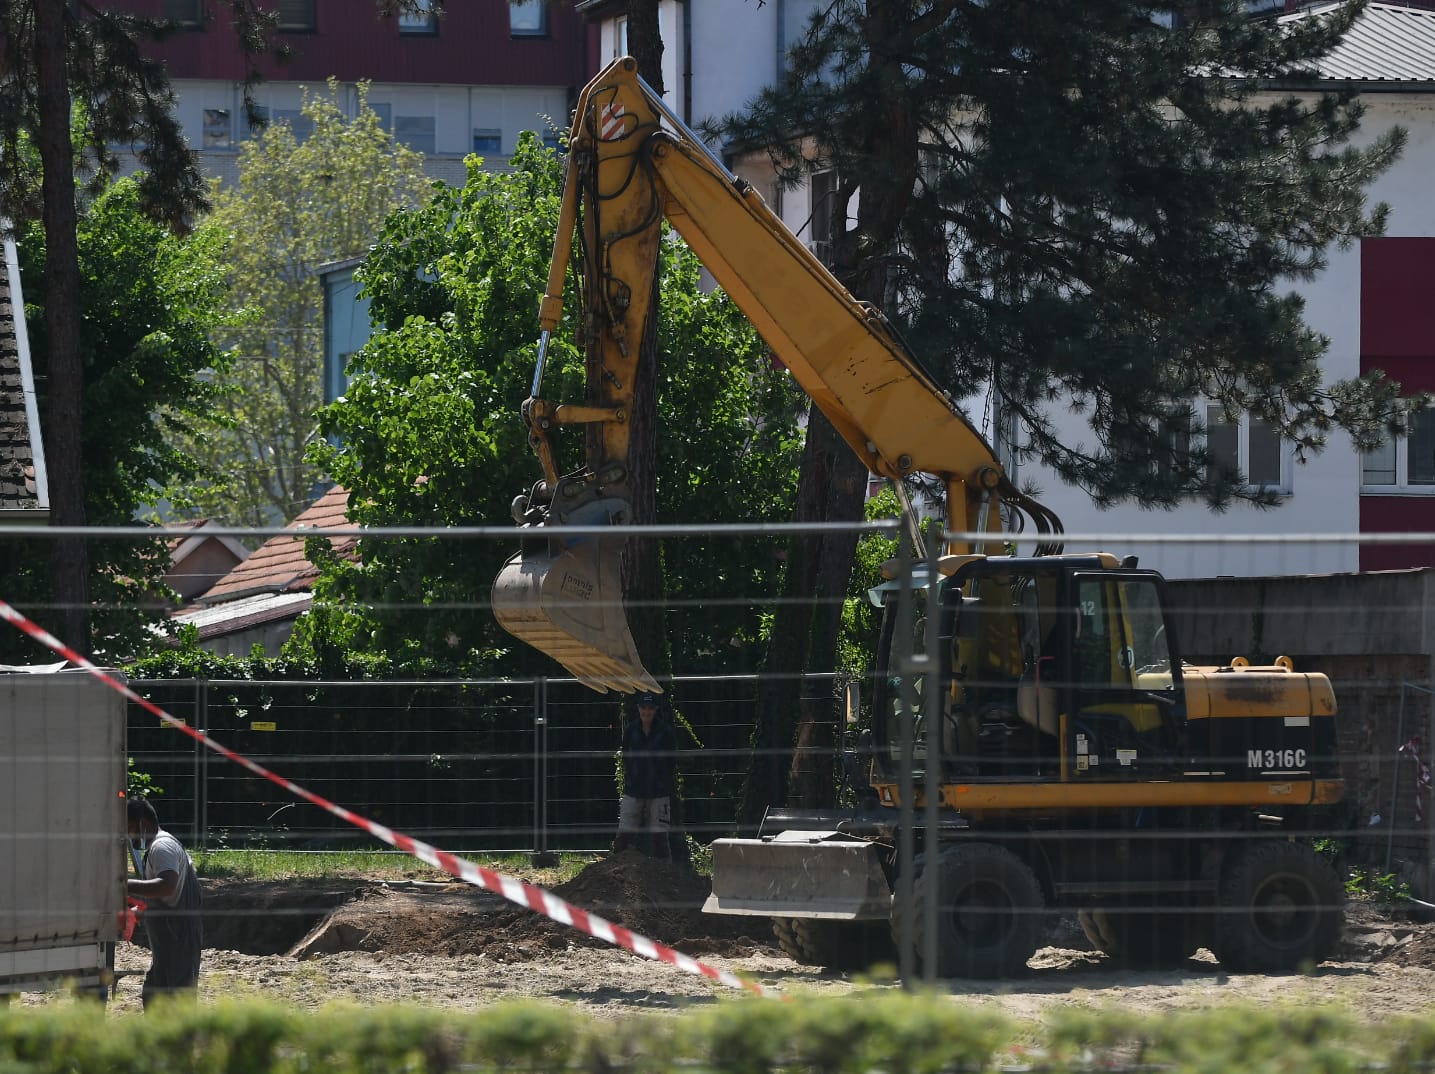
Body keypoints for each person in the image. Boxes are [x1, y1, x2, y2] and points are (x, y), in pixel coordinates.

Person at [125, 796, 203, 1008]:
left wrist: (125, 885)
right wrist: (139, 913)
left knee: (176, 1002)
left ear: (143, 823)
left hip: (177, 938)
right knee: (154, 996)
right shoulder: (161, 845)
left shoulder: (162, 847)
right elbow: (167, 898)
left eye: (130, 827)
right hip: (171, 939)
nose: (129, 834)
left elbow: (166, 885)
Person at [615, 691, 675, 860]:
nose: (646, 712)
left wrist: (662, 781)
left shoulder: (665, 732)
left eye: (650, 708)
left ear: (655, 710)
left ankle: (663, 875)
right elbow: (626, 756)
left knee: (660, 839)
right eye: (643, 707)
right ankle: (616, 871)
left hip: (658, 791)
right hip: (633, 789)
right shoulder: (631, 730)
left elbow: (671, 761)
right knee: (624, 835)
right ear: (638, 708)